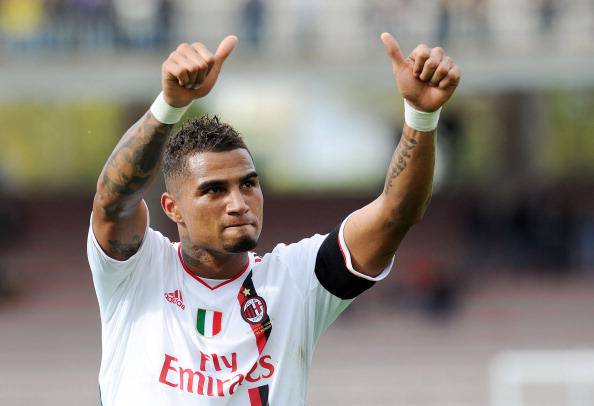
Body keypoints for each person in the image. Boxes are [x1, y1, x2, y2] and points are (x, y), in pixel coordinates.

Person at [87, 33, 460, 405]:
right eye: (214, 190)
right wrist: (168, 106)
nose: (238, 203)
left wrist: (421, 116)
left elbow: (396, 213)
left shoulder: (296, 280)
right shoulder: (137, 273)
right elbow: (112, 202)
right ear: (172, 208)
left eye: (248, 184)